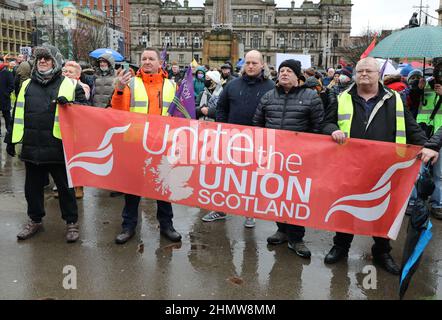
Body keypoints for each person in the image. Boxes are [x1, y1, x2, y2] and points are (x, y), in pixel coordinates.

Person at [322, 57, 438, 275]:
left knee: (384, 210)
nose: (364, 74)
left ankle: (382, 251)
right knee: (346, 208)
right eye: (360, 71)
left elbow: (410, 126)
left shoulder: (394, 98)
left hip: (386, 167)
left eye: (369, 71)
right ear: (355, 74)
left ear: (379, 75)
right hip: (350, 166)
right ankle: (340, 246)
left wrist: (427, 145)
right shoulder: (342, 97)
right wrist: (332, 130)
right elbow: (326, 122)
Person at [5, 45, 87, 242]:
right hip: (32, 147)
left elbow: (85, 110)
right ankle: (35, 220)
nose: (42, 61)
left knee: (65, 189)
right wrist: (10, 139)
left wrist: (71, 105)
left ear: (55, 61)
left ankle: (71, 223)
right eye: (39, 58)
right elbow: (17, 113)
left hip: (59, 147)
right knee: (32, 189)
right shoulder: (26, 85)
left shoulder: (69, 84)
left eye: (47, 58)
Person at [253, 59, 324, 258]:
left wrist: (306, 150)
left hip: (299, 159)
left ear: (297, 75)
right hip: (274, 156)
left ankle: (296, 237)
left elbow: (317, 127)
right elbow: (257, 124)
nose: (284, 73)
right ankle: (282, 230)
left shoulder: (311, 97)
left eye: (289, 71)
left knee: (296, 197)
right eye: (282, 70)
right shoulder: (268, 97)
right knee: (278, 194)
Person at [110, 47, 182, 245]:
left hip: (162, 145)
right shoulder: (131, 84)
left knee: (163, 188)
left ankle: (167, 225)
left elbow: (180, 116)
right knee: (132, 188)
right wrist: (119, 89)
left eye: (151, 58)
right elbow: (118, 111)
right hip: (136, 144)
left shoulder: (171, 86)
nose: (147, 61)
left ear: (160, 63)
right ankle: (128, 226)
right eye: (144, 59)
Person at [202, 50, 275, 228]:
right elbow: (221, 108)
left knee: (251, 179)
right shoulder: (232, 85)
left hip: (258, 141)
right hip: (231, 140)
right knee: (226, 176)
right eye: (247, 63)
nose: (250, 66)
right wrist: (223, 128)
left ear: (262, 65)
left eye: (254, 63)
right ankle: (220, 209)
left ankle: (249, 212)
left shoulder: (271, 87)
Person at [410, 62, 442, 219]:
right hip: (423, 132)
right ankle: (413, 201)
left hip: (440, 135)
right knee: (417, 170)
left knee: (439, 173)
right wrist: (417, 89)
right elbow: (412, 104)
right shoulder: (425, 83)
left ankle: (438, 204)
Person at [0, 57, 14, 137]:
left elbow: (11, 85)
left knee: (7, 115)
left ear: (2, 62)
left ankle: (9, 131)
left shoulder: (7, 73)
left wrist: (6, 93)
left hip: (4, 98)